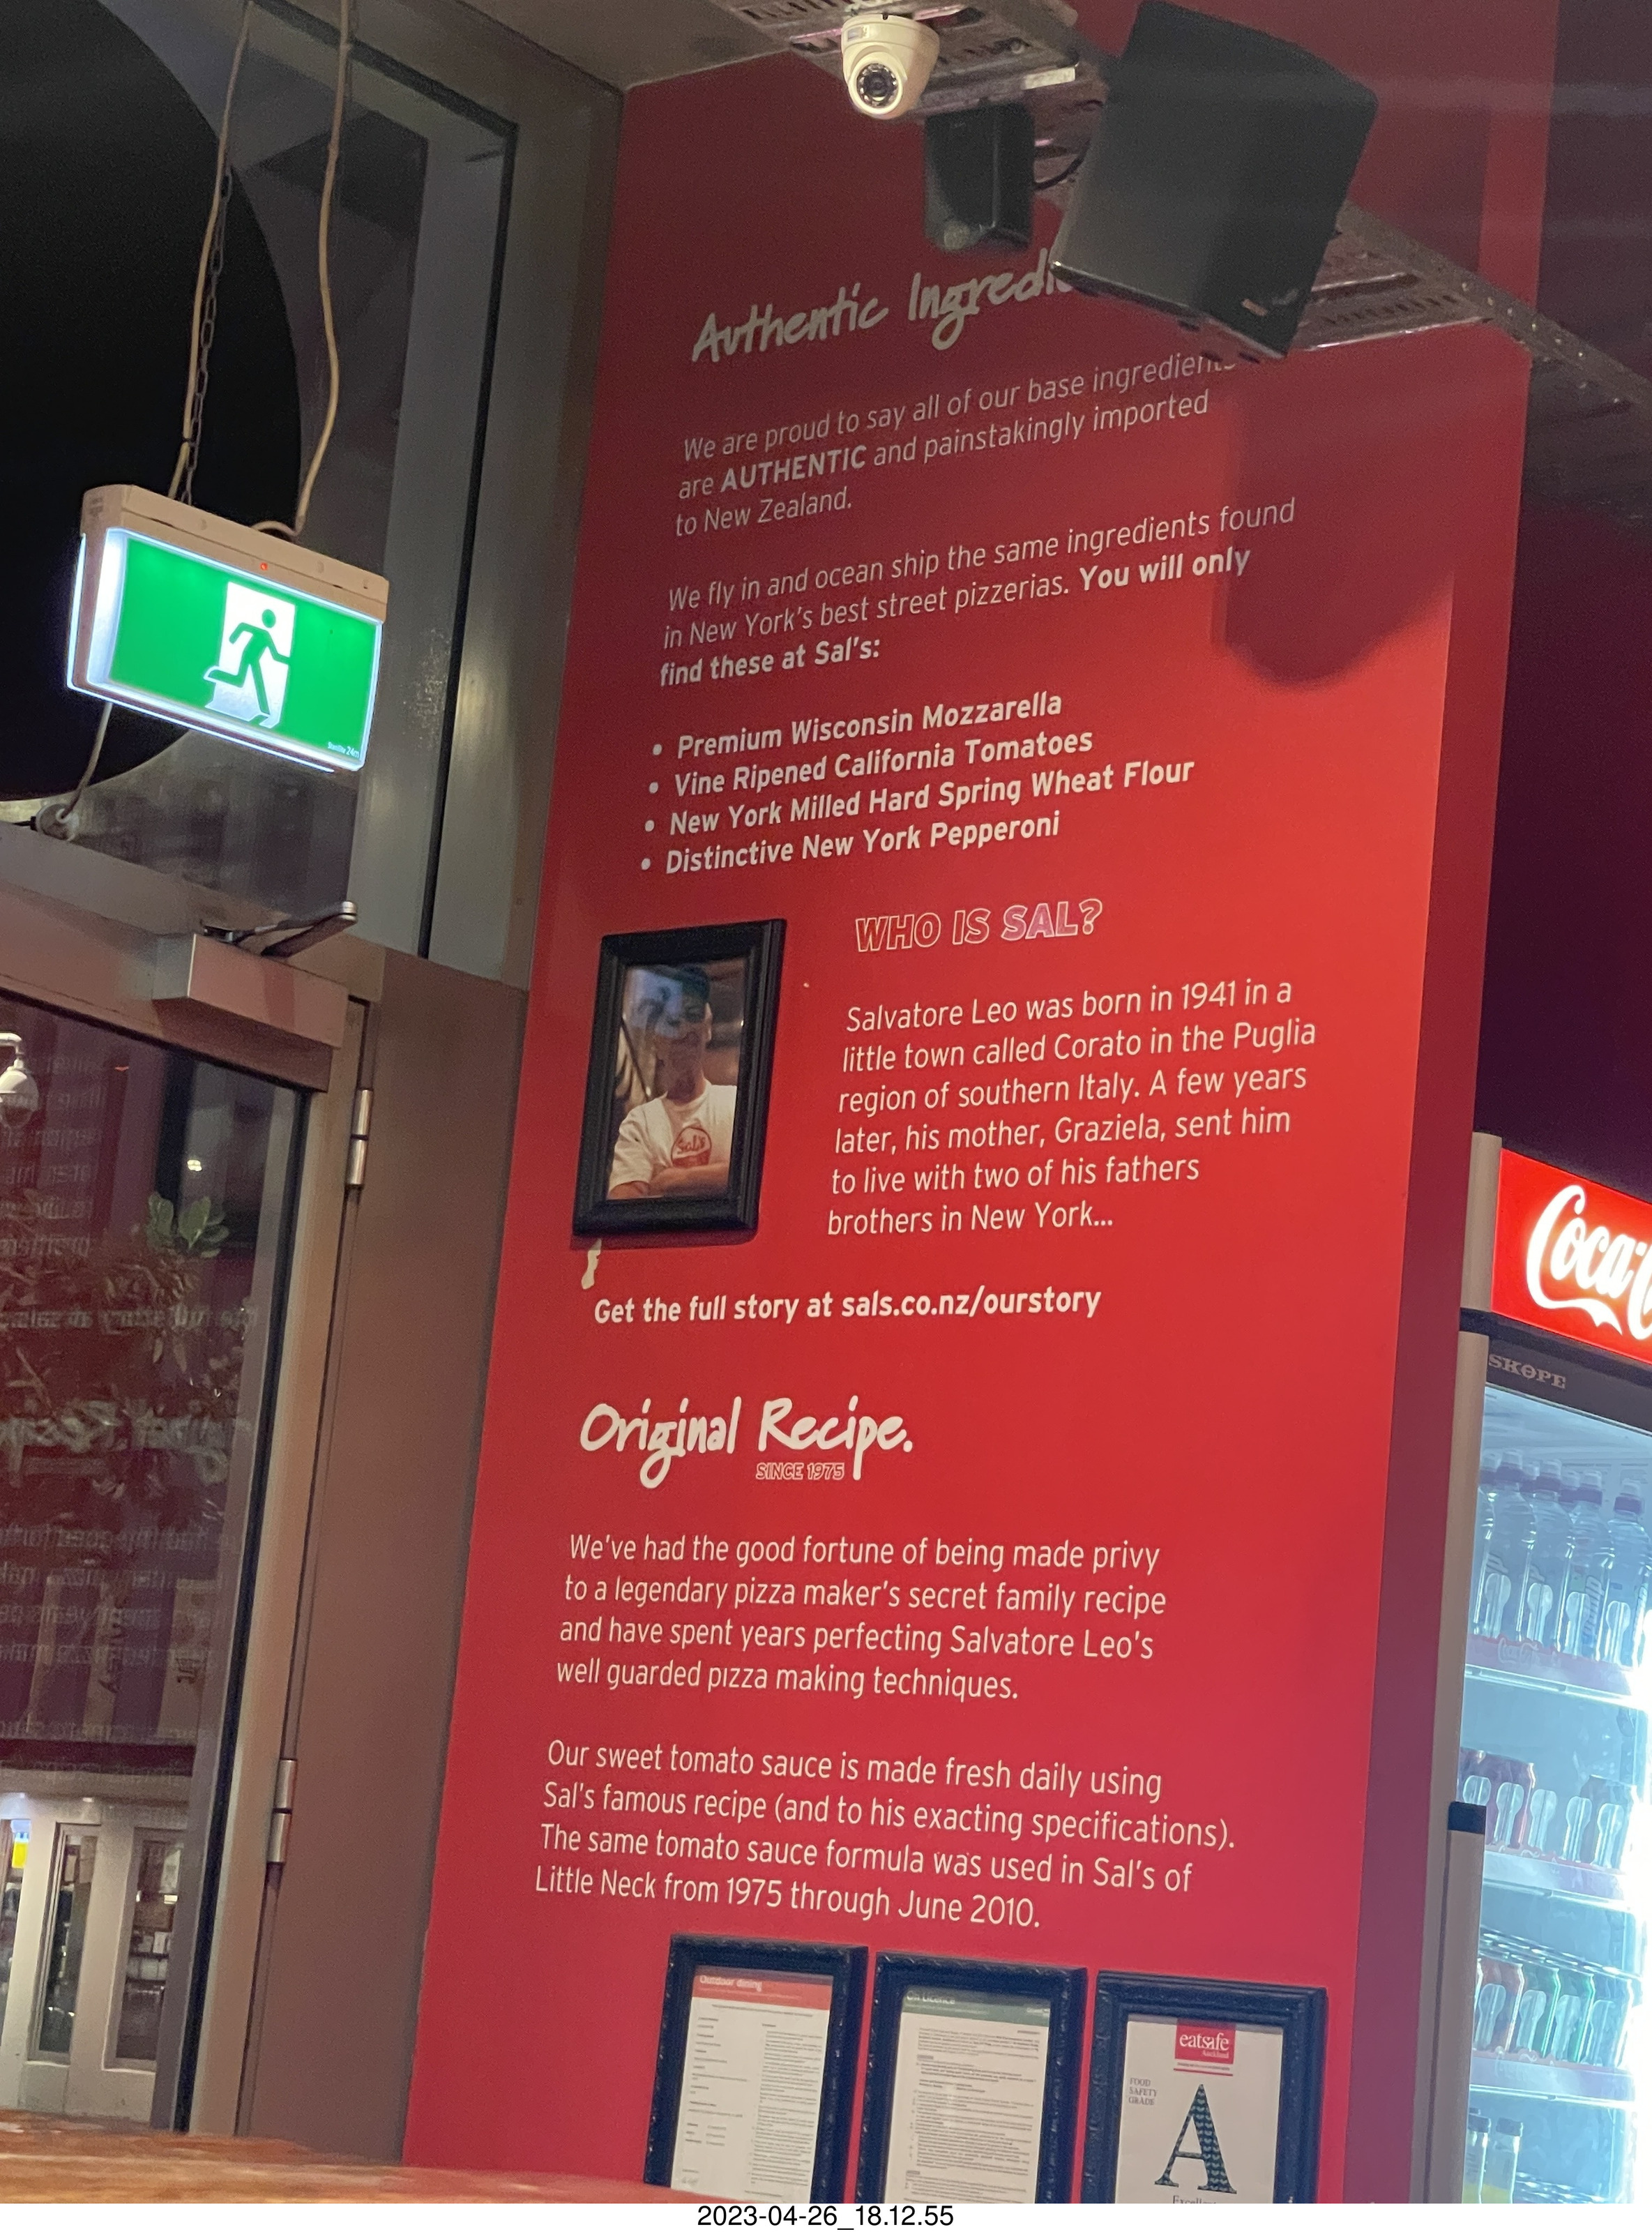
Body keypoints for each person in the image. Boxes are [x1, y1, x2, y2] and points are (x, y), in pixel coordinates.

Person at [607, 967, 737, 1199]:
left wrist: (670, 1181)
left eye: (693, 1013)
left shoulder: (736, 1104)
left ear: (707, 1029)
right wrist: (716, 1177)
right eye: (672, 1020)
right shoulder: (640, 1122)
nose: (684, 1029)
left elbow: (754, 1174)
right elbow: (623, 1200)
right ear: (657, 1042)